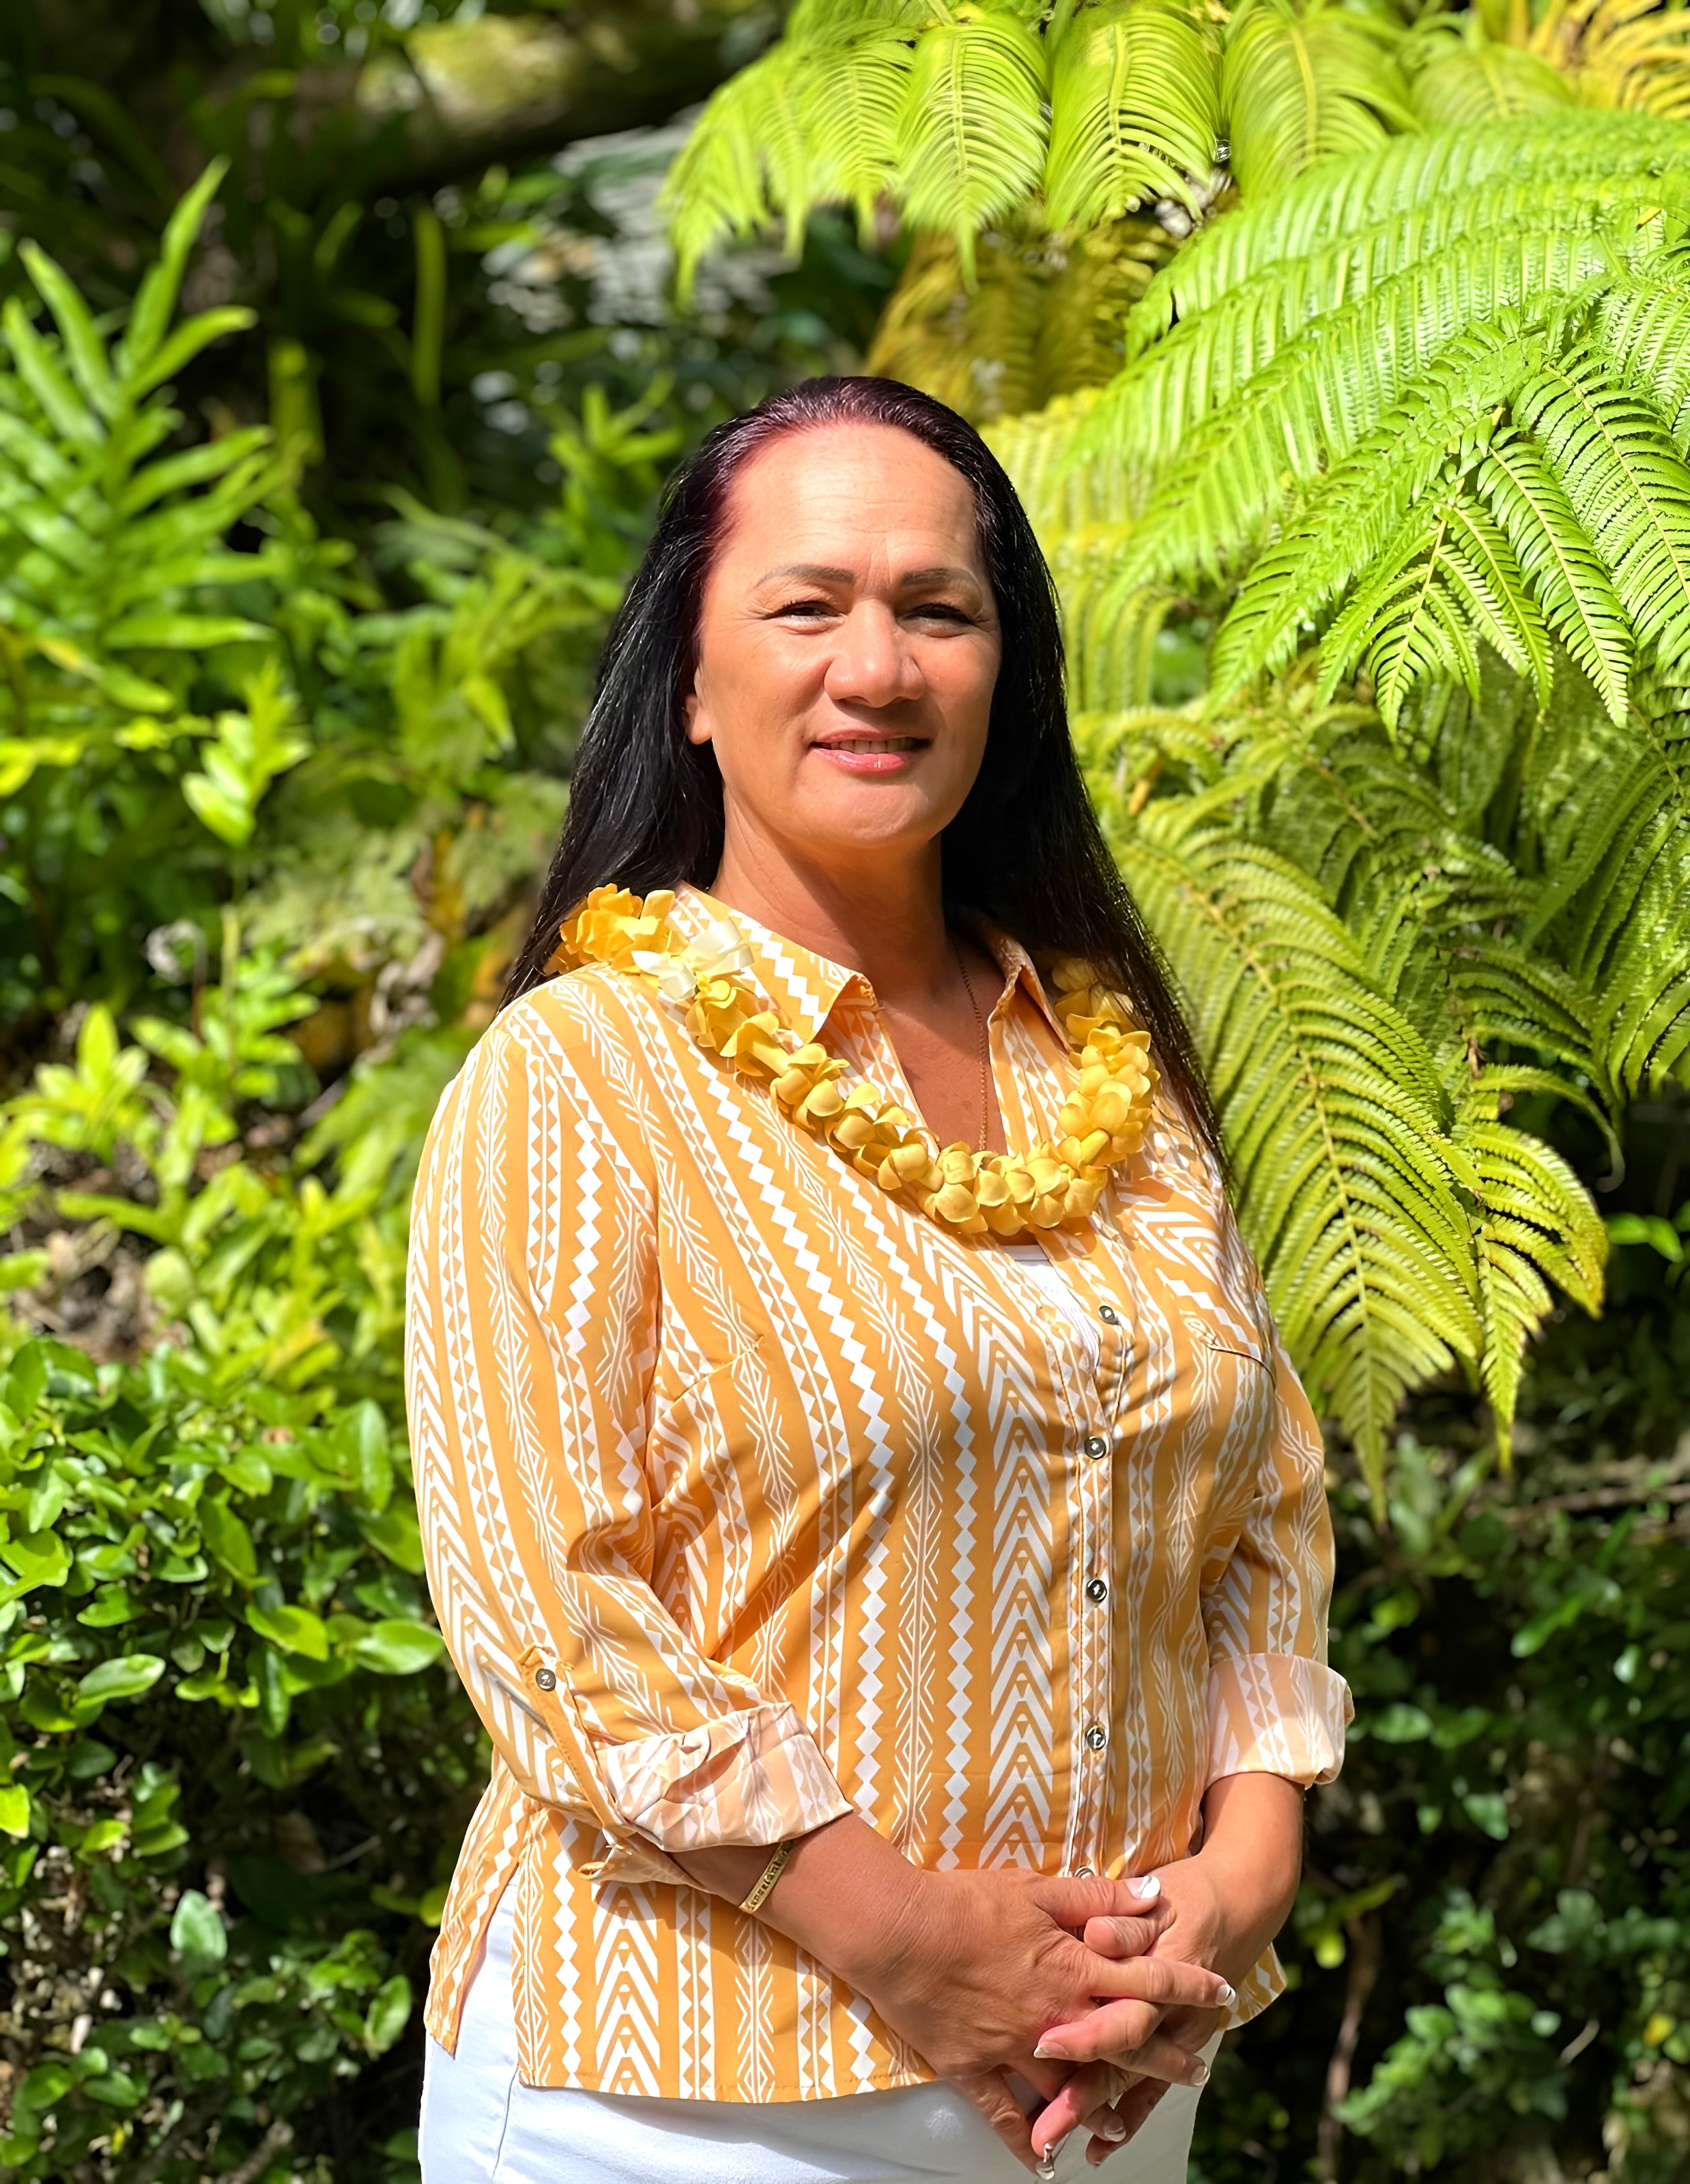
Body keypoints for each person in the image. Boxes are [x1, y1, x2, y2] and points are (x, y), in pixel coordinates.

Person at [405, 375, 1351, 2183]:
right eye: (805, 604)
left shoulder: (1112, 1075)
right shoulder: (580, 1074)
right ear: (685, 683)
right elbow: (556, 1624)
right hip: (679, 2103)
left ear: (1005, 673)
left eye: (938, 609)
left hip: (1099, 2083)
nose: (877, 664)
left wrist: (1240, 1871)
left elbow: (1264, 1520)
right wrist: (917, 1949)